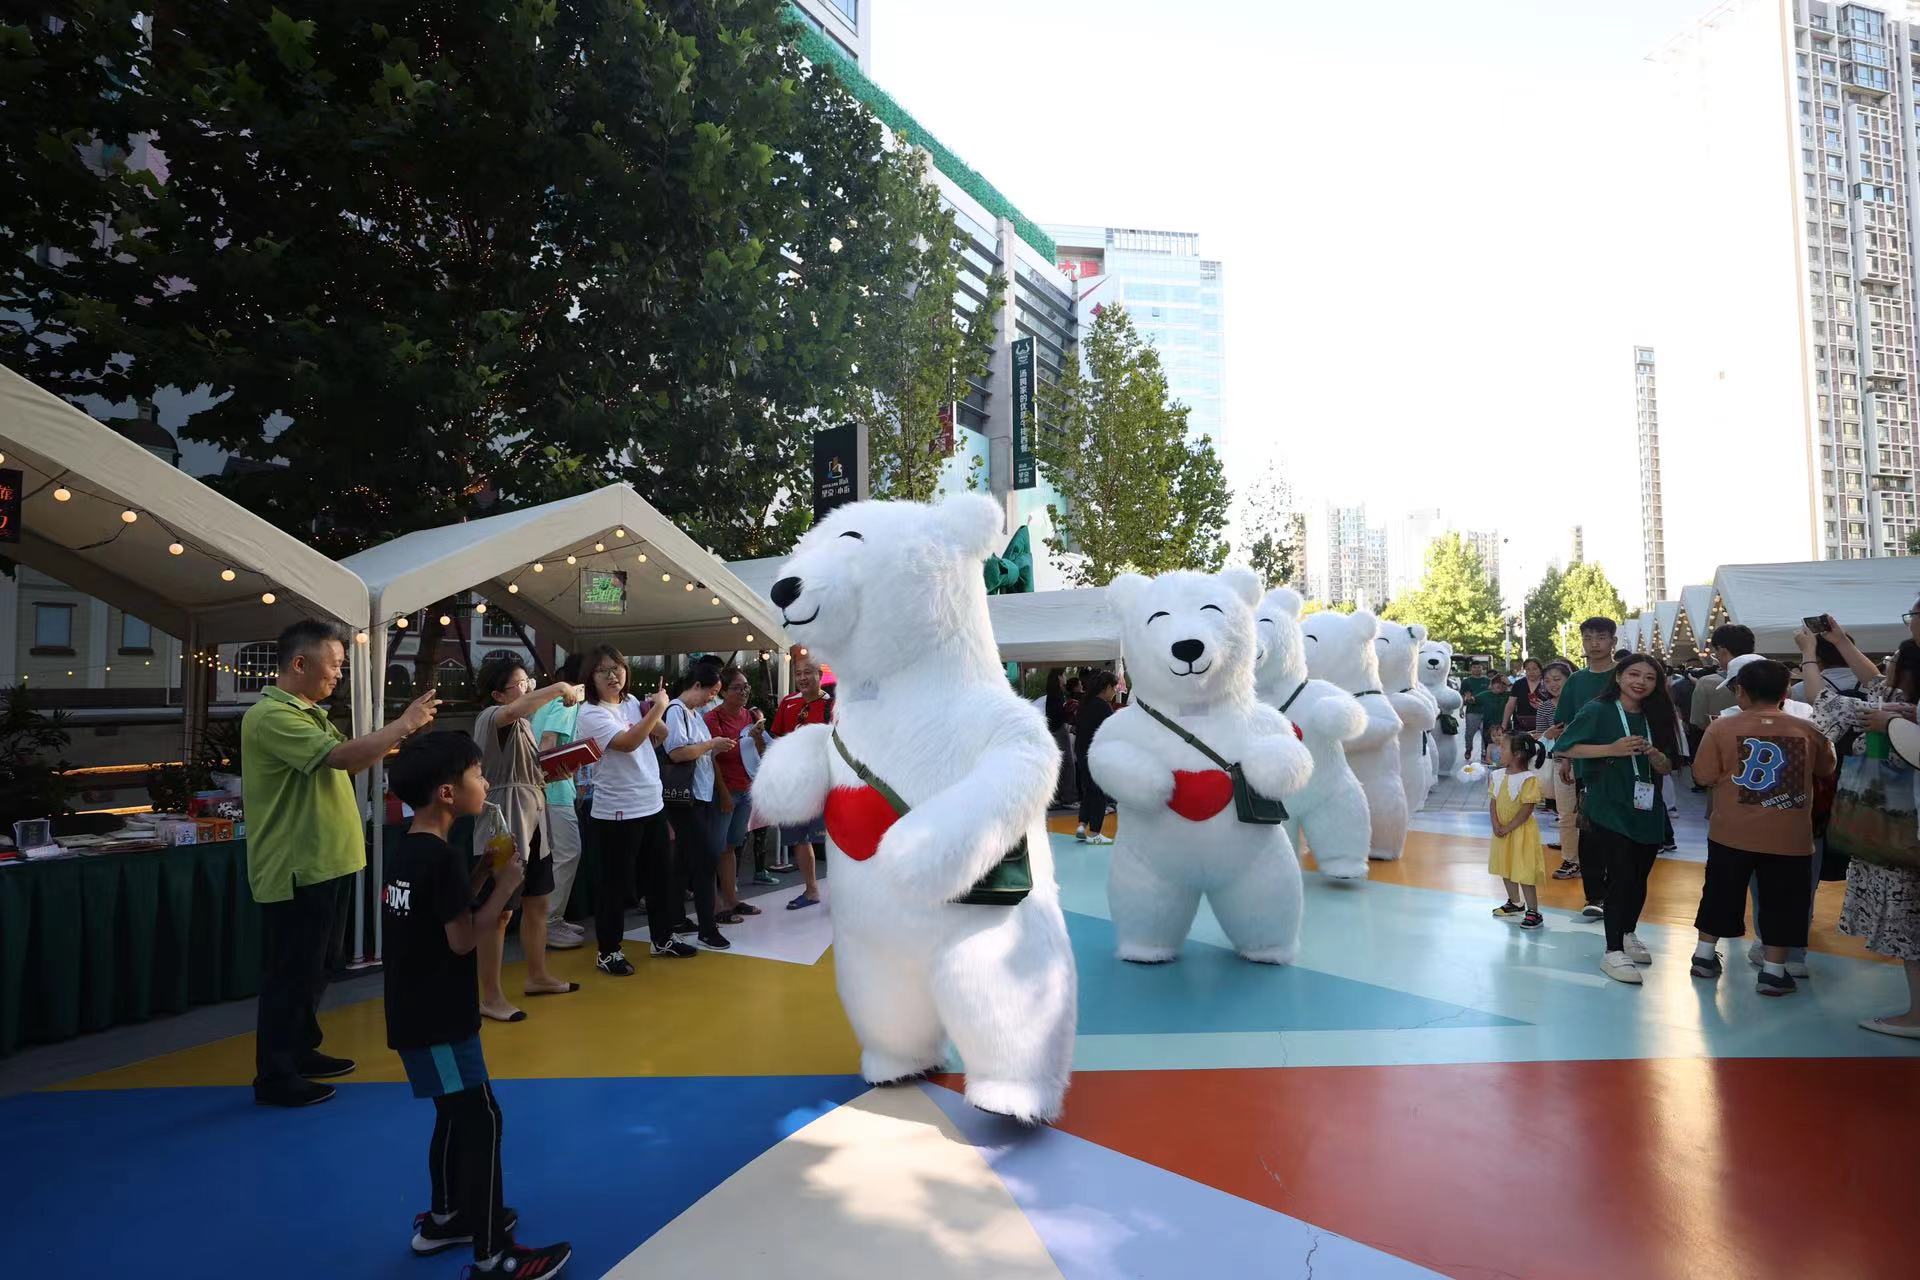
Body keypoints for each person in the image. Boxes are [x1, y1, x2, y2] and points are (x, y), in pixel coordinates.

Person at [382, 731, 571, 1276]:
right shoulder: (439, 859)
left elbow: (444, 909)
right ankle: (493, 1254)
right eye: (477, 775)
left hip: (414, 1011)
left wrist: (485, 870)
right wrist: (506, 888)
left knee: (452, 1114)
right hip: (440, 1019)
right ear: (447, 792)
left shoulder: (410, 849)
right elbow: (463, 939)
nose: (485, 783)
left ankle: (448, 1217)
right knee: (481, 1120)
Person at [243, 618, 440, 1108]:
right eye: (333, 665)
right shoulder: (272, 716)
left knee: (317, 965)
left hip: (326, 861)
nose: (338, 674)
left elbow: (351, 757)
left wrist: (399, 731)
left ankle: (299, 1049)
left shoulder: (308, 713)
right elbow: (342, 758)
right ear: (299, 663)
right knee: (291, 971)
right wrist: (403, 724)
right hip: (297, 866)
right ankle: (275, 1073)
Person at [1688, 659, 1837, 996]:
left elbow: (1704, 775)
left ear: (1740, 691)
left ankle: (1704, 956)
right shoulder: (1808, 729)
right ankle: (1774, 971)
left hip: (1730, 832)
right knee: (1783, 902)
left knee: (1720, 892)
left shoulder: (1721, 728)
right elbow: (1826, 768)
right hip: (1790, 837)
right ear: (1786, 692)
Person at [1802, 618, 1920, 1036]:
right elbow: (1874, 680)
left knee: (1910, 928)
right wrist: (1838, 641)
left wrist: (1810, 654)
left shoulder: (1888, 713)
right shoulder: (1902, 705)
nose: (1882, 665)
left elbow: (1822, 701)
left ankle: (1917, 1015)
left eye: (1892, 660)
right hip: (1905, 833)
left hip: (1895, 837)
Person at [469, 655, 585, 1022]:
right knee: (499, 912)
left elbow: (530, 772)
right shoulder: (491, 717)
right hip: (504, 821)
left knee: (538, 901)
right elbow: (513, 712)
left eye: (528, 682)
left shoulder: (525, 725)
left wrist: (556, 771)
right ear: (497, 694)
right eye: (521, 684)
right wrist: (559, 687)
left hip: (535, 818)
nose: (528, 689)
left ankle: (537, 974)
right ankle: (490, 995)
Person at [1554, 652, 1679, 984]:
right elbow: (1564, 746)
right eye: (1634, 674)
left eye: (1649, 677)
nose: (1641, 682)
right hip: (1608, 804)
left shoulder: (1659, 714)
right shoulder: (1598, 710)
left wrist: (1655, 755)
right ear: (1619, 676)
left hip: (1647, 806)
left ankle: (1628, 932)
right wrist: (1611, 748)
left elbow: (1668, 766)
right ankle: (1612, 950)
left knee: (1639, 876)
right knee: (1621, 875)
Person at [575, 645, 681, 973]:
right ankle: (608, 951)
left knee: (660, 878)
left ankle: (663, 938)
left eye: (617, 667)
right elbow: (628, 742)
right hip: (617, 810)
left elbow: (660, 734)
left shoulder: (633, 702)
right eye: (602, 670)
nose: (612, 675)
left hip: (652, 802)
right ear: (590, 677)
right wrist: (659, 708)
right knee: (615, 885)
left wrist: (653, 710)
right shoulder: (591, 713)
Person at [662, 658, 738, 950]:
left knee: (684, 859)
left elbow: (696, 751)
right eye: (712, 692)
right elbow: (677, 752)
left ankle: (676, 917)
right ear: (697, 685)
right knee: (705, 859)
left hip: (698, 795)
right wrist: (711, 744)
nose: (712, 699)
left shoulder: (692, 714)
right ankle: (708, 927)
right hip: (686, 798)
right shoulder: (676, 711)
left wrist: (714, 746)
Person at [1549, 617, 1620, 895]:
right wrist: (1566, 759)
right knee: (1590, 829)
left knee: (1619, 830)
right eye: (1588, 638)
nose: (1594, 644)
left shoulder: (1625, 675)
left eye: (1601, 637)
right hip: (1587, 766)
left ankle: (1617, 888)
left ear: (1613, 641)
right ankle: (1594, 895)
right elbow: (1566, 723)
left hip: (1626, 763)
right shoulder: (1576, 681)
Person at [530, 653, 587, 951]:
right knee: (568, 852)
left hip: (543, 790)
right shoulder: (568, 701)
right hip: (554, 791)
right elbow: (548, 743)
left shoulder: (544, 700)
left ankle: (551, 919)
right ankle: (550, 921)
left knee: (550, 856)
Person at [770, 657, 833, 908]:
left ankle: (843, 893)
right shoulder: (788, 702)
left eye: (808, 672)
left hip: (825, 781)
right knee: (798, 837)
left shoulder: (833, 704)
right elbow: (777, 739)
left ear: (820, 675)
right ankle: (811, 890)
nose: (803, 678)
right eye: (798, 673)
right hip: (793, 782)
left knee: (834, 839)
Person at [706, 665, 768, 916]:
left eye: (746, 687)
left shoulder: (750, 716)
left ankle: (731, 899)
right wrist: (722, 793)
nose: (743, 692)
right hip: (725, 788)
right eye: (737, 688)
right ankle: (714, 905)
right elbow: (712, 758)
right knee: (716, 847)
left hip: (746, 788)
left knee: (731, 845)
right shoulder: (713, 719)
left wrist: (758, 737)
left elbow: (760, 751)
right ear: (723, 691)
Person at [1488, 730, 1547, 931]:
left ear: (1518, 754)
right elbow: (1493, 801)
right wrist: (1496, 824)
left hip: (1521, 832)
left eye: (1503, 747)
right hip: (1502, 832)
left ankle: (1533, 911)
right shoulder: (1496, 775)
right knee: (1505, 865)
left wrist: (1508, 827)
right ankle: (1515, 902)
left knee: (1524, 870)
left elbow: (1526, 809)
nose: (1499, 750)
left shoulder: (1528, 779)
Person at [1074, 670, 1121, 844]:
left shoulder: (1085, 704)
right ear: (1107, 687)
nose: (1114, 692)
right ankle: (1094, 833)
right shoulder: (1103, 707)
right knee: (1100, 792)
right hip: (1096, 754)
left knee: (1089, 790)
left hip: (1082, 751)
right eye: (1114, 688)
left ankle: (1081, 825)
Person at [1469, 675, 1511, 767]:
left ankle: (1505, 765)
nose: (1501, 685)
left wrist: (1509, 684)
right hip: (1489, 727)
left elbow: (1517, 693)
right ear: (1492, 684)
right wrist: (1469, 698)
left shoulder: (1508, 695)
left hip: (1505, 727)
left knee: (1506, 746)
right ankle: (1490, 764)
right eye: (1498, 683)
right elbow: (1473, 700)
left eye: (1503, 684)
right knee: (1489, 747)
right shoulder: (1485, 694)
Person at [1501, 658, 1545, 738]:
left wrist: (1543, 707)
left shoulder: (1546, 683)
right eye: (1528, 669)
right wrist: (1504, 724)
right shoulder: (1519, 684)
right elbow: (1510, 704)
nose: (1531, 672)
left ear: (1540, 670)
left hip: (1543, 724)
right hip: (1521, 723)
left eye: (1534, 669)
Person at [1460, 659, 1492, 762]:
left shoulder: (1488, 681)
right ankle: (1468, 749)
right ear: (1471, 669)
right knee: (1469, 733)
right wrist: (1461, 708)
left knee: (1485, 733)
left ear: (1483, 669)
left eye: (1479, 667)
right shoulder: (1466, 681)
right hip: (1472, 711)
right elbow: (1462, 696)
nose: (1477, 669)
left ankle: (1484, 752)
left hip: (1486, 711)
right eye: (1474, 667)